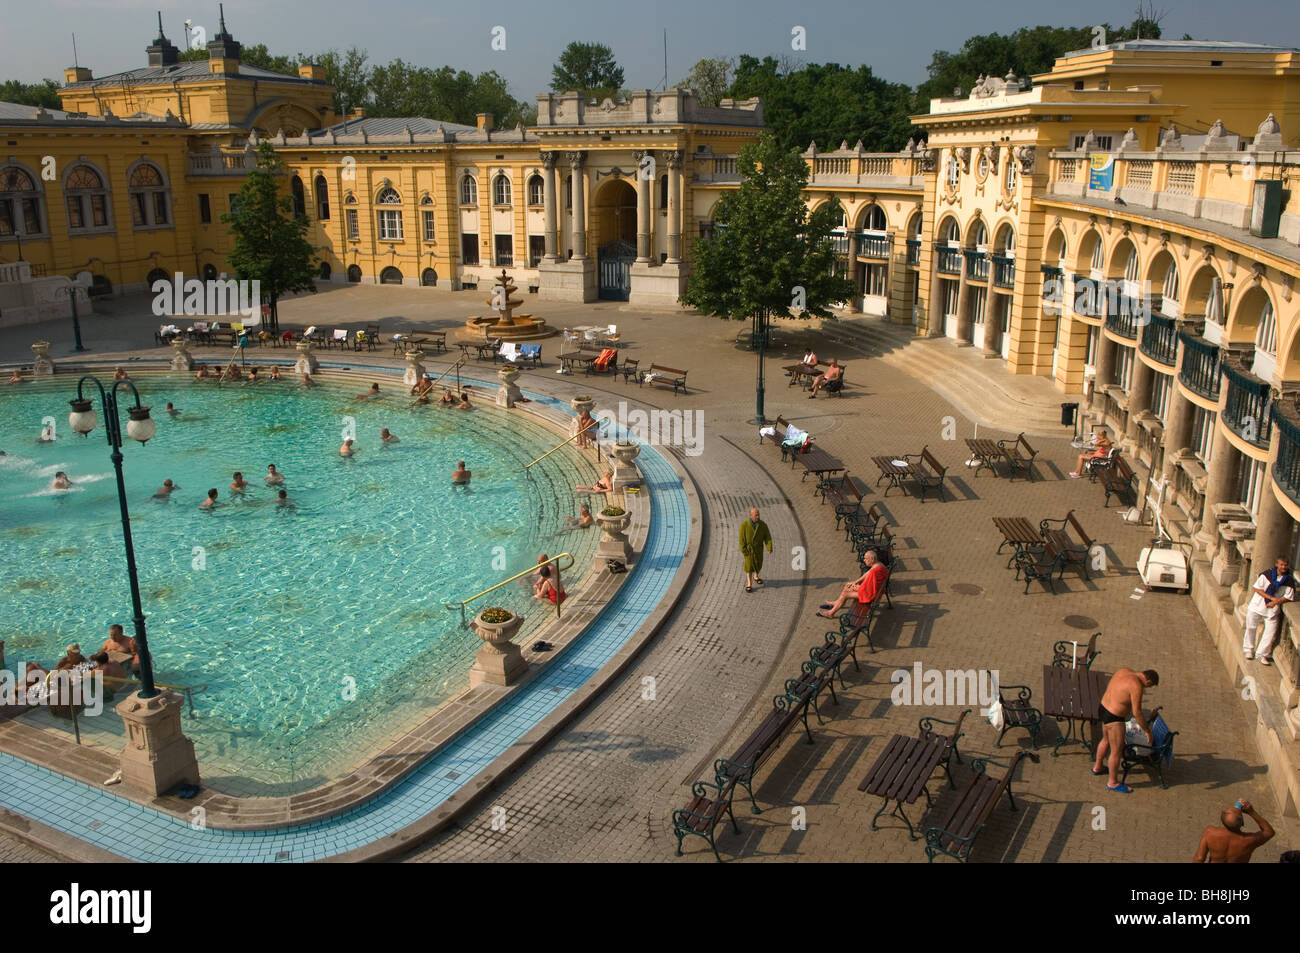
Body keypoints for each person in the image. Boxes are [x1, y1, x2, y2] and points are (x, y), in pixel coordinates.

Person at [1091, 667, 1160, 793]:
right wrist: (1147, 731)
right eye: (1148, 687)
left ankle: (1098, 767)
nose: (1145, 689)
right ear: (1148, 682)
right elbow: (1137, 713)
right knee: (1116, 751)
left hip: (1103, 708)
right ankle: (1112, 783)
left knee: (1105, 740)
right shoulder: (1137, 686)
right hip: (1114, 717)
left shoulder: (1124, 670)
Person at [1243, 556, 1295, 665]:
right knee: (1251, 627)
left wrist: (1276, 602)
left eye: (1285, 565)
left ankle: (1262, 654)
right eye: (1281, 564)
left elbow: (1288, 596)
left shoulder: (1289, 580)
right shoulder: (1267, 574)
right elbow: (1257, 588)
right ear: (1277, 564)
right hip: (1258, 605)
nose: (1284, 567)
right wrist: (1270, 598)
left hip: (1272, 609)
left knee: (1270, 632)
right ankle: (1248, 650)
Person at [1194, 800, 1275, 862]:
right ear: (1242, 823)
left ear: (1222, 821)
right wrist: (1251, 812)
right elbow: (1269, 832)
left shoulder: (1210, 832)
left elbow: (1199, 858)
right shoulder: (1249, 840)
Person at [819, 548, 889, 618]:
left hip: (870, 596)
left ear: (872, 560)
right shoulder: (878, 565)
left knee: (846, 594)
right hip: (875, 591)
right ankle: (837, 603)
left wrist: (856, 587)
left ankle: (831, 613)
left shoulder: (874, 572)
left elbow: (868, 590)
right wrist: (855, 582)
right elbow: (866, 575)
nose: (864, 560)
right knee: (848, 586)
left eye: (866, 559)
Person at [739, 507, 773, 593]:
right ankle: (749, 583)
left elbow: (767, 537)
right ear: (751, 515)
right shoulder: (744, 525)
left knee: (758, 564)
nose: (758, 517)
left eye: (758, 515)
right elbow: (741, 539)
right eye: (756, 515)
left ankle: (756, 576)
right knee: (749, 567)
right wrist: (744, 550)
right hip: (749, 551)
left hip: (758, 549)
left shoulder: (762, 525)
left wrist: (769, 547)